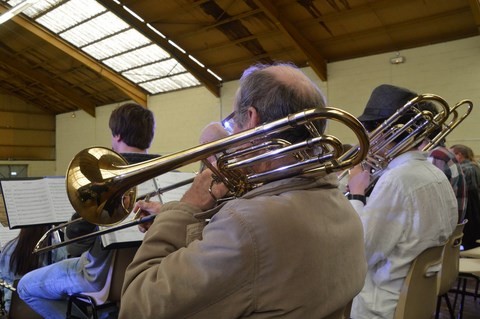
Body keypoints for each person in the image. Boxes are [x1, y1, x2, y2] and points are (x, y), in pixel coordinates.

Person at [120, 62, 367, 318]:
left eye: (233, 124)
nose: (232, 135)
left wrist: (186, 207)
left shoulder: (248, 224)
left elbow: (136, 305)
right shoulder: (341, 205)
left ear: (251, 119)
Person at [17, 102, 158, 319]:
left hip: (100, 278)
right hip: (151, 273)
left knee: (26, 287)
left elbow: (76, 242)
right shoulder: (170, 172)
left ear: (117, 135)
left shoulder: (106, 178)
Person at [347, 84, 458, 319]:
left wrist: (357, 194)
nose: (366, 136)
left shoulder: (396, 180)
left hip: (382, 306)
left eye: (368, 128)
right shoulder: (435, 173)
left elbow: (360, 252)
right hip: (420, 300)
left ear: (387, 130)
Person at [0, 226, 67, 313]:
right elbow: (62, 285)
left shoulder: (8, 247)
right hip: (46, 310)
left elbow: (3, 283)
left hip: (13, 310)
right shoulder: (55, 248)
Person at [450, 144, 480, 249]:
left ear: (459, 154)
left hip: (469, 206)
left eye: (452, 154)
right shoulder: (474, 166)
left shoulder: (465, 169)